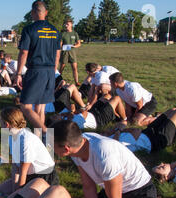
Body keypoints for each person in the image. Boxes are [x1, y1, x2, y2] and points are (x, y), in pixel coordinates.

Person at [15, 1, 61, 139]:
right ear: (45, 12)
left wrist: (18, 73)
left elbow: (24, 52)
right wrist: (54, 70)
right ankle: (39, 137)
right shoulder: (55, 30)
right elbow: (58, 53)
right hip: (50, 70)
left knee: (25, 106)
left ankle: (46, 134)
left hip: (36, 70)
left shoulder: (29, 29)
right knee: (40, 107)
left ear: (33, 12)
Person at [0, 107, 58, 196]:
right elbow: (15, 167)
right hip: (29, 175)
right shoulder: (11, 136)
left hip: (43, 176)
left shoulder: (25, 140)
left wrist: (18, 195)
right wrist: (14, 190)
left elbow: (23, 171)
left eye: (0, 121)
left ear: (6, 124)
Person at [111, 108, 176, 153]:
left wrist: (119, 130)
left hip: (147, 133)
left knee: (173, 110)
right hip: (155, 141)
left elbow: (125, 126)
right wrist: (119, 131)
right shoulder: (114, 146)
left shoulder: (109, 138)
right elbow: (136, 131)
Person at [57, 83, 127, 130]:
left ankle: (116, 115)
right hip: (98, 120)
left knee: (107, 96)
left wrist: (71, 112)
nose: (56, 115)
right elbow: (84, 112)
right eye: (54, 117)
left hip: (92, 113)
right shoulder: (72, 123)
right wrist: (73, 112)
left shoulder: (64, 117)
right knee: (117, 98)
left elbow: (73, 107)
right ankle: (125, 119)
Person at [59, 18, 81, 86]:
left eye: (67, 24)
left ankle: (76, 82)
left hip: (72, 53)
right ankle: (58, 80)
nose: (66, 25)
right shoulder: (63, 34)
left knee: (74, 68)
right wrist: (61, 47)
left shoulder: (75, 33)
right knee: (61, 68)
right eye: (65, 24)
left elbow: (79, 43)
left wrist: (74, 46)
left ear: (71, 24)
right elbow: (60, 44)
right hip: (64, 52)